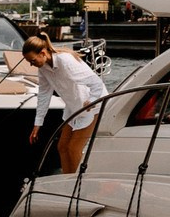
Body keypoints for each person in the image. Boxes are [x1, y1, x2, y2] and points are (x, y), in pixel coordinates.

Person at [23, 32, 109, 173]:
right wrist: (38, 124)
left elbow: (96, 83)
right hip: (73, 107)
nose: (32, 64)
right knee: (62, 147)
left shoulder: (66, 61)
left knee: (74, 149)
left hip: (92, 107)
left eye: (32, 60)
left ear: (43, 53)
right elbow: (44, 95)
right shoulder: (43, 68)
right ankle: (67, 181)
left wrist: (92, 100)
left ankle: (78, 185)